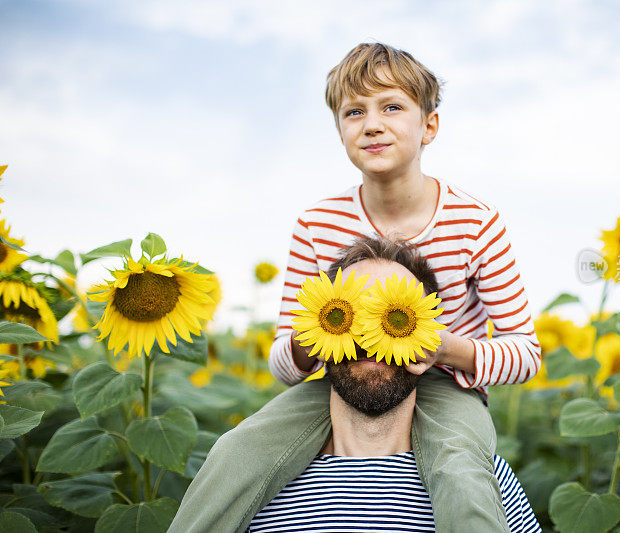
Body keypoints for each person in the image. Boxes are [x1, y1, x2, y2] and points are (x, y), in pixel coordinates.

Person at [170, 42, 540, 532]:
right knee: (238, 452)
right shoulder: (318, 224)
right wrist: (321, 334)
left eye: (391, 107)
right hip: (343, 376)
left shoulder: (474, 222)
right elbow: (284, 361)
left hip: (441, 382)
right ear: (339, 128)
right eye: (353, 111)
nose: (371, 124)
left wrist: (441, 347)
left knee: (462, 473)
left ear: (429, 125)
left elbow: (525, 353)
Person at [248, 254, 542, 532]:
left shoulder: (485, 477)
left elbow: (526, 355)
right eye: (351, 314)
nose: (368, 336)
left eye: (391, 315)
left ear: (433, 344)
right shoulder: (256, 484)